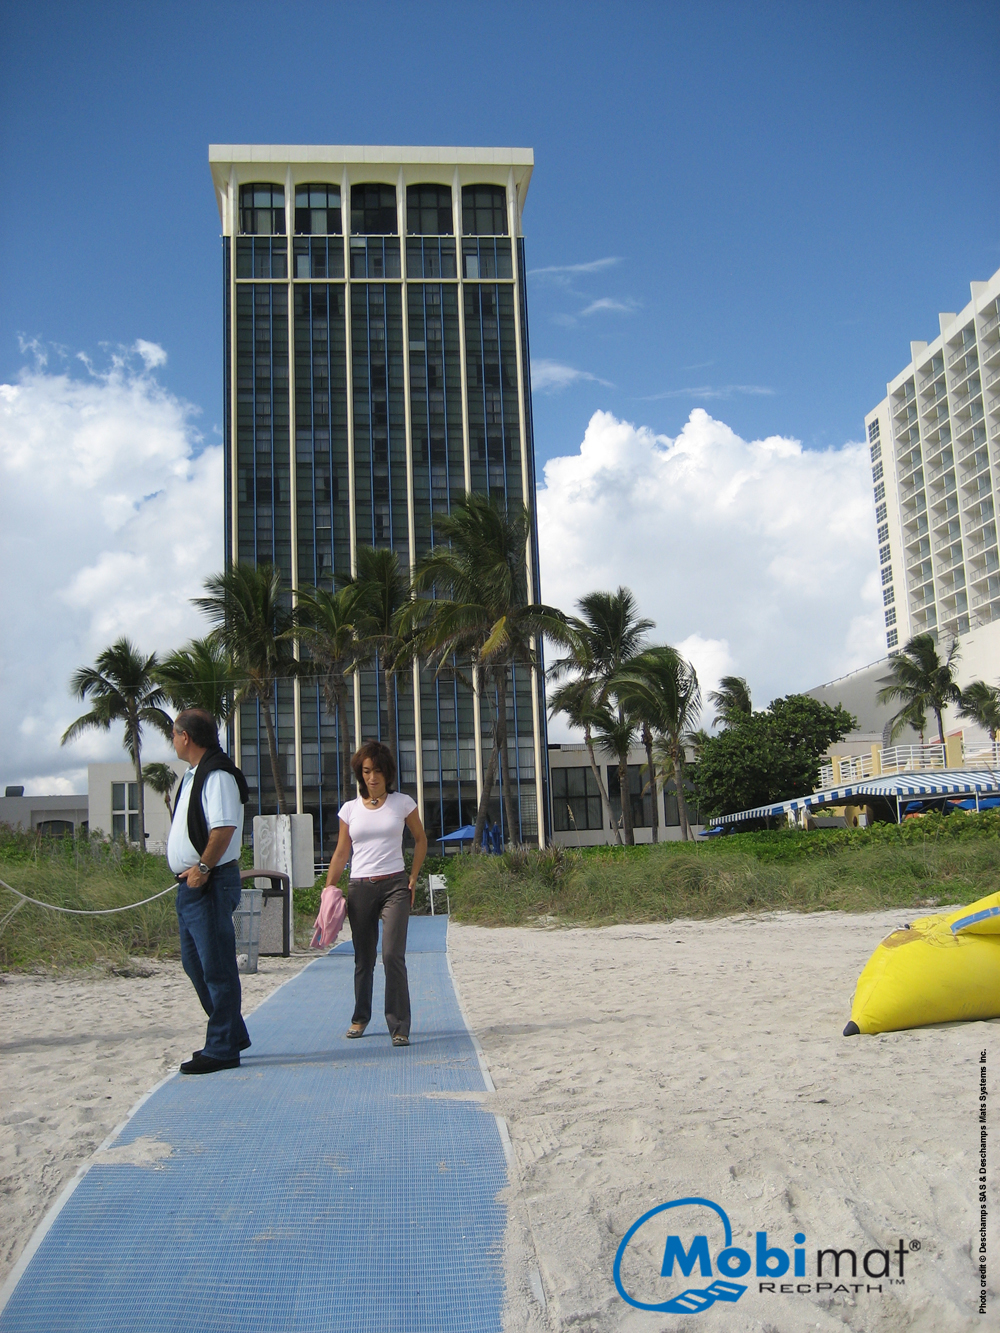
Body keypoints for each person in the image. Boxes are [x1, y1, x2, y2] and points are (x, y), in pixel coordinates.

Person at [324, 740, 428, 1047]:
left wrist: (413, 876)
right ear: (360, 773)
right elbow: (342, 852)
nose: (372, 777)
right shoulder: (350, 810)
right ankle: (360, 1017)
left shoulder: (403, 804)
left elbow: (420, 840)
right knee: (364, 958)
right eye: (367, 771)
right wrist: (329, 886)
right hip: (359, 888)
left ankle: (399, 1025)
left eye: (378, 771)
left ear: (388, 774)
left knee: (392, 954)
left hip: (395, 885)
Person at [166, 708, 250, 1075]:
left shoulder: (216, 775)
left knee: (215, 966)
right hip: (192, 884)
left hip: (209, 882)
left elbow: (223, 828)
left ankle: (222, 1047)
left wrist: (202, 868)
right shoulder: (192, 775)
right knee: (195, 963)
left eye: (173, 733)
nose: (172, 740)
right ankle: (229, 1035)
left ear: (186, 736)